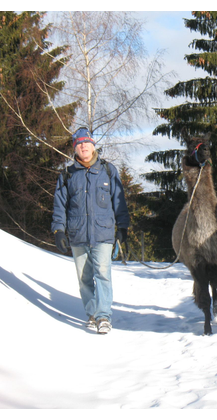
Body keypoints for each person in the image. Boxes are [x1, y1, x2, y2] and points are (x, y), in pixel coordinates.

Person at [51, 127, 130, 334]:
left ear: (93, 145)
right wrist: (58, 230)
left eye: (86, 142)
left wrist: (123, 228)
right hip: (78, 235)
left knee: (103, 275)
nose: (83, 146)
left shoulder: (108, 171)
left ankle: (104, 316)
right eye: (79, 143)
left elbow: (119, 203)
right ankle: (92, 313)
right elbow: (59, 205)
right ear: (75, 149)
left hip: (103, 234)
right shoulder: (67, 175)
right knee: (84, 279)